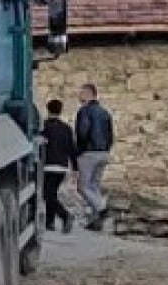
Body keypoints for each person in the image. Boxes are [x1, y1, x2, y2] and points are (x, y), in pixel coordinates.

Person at [75, 83, 114, 232]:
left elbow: (82, 132)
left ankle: (102, 208)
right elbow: (110, 135)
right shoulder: (105, 113)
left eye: (81, 93)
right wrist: (106, 149)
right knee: (94, 186)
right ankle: (95, 221)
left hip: (89, 152)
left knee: (83, 187)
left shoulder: (84, 111)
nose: (79, 96)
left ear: (88, 94)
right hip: (104, 152)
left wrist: (79, 150)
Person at [40, 99, 76, 233]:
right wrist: (75, 168)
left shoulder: (44, 127)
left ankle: (65, 215)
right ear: (60, 111)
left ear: (48, 109)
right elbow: (72, 148)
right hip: (62, 167)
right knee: (52, 194)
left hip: (48, 166)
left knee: (47, 195)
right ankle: (50, 222)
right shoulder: (67, 129)